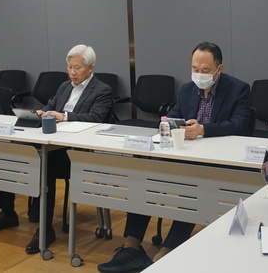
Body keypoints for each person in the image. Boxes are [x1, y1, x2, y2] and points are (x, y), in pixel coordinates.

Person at [98, 41, 250, 273]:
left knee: (192, 186)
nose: (199, 74)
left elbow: (241, 124)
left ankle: (167, 252)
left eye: (205, 70)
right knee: (146, 178)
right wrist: (171, 126)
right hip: (184, 153)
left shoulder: (238, 89)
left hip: (217, 160)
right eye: (195, 68)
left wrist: (204, 129)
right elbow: (172, 116)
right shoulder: (188, 89)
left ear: (219, 69)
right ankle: (131, 246)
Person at [0, 45, 114, 255]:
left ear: (91, 67)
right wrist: (42, 113)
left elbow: (96, 118)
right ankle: (7, 213)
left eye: (77, 67)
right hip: (52, 140)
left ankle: (45, 228)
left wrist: (64, 116)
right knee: (9, 154)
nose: (72, 72)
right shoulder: (64, 86)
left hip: (76, 151)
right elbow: (51, 105)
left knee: (45, 164)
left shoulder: (102, 90)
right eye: (70, 67)